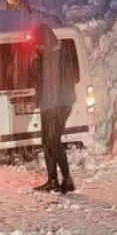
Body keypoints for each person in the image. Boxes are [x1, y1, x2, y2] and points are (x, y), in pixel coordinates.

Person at [29, 23, 78, 193]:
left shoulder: (50, 59)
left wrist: (37, 68)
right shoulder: (60, 54)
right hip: (61, 104)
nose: (36, 47)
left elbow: (45, 86)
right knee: (51, 141)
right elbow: (73, 77)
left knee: (51, 141)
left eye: (38, 44)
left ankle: (62, 179)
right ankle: (57, 179)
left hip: (53, 105)